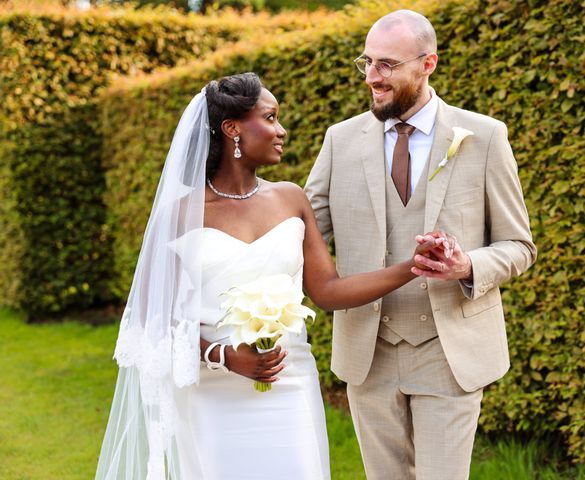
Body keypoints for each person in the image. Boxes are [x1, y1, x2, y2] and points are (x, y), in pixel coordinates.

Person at [95, 72, 438, 480]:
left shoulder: (291, 198)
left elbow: (327, 290)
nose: (282, 130)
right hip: (211, 391)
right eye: (271, 117)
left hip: (289, 379)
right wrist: (222, 356)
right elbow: (151, 322)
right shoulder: (179, 214)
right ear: (232, 129)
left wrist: (411, 267)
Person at [304, 9, 537, 480]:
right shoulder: (340, 140)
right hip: (368, 352)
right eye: (366, 62)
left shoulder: (485, 136)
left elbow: (519, 245)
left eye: (387, 64)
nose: (372, 76)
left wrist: (467, 265)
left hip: (449, 352)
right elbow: (301, 233)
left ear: (428, 64)